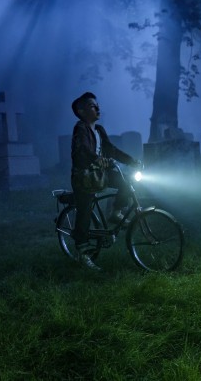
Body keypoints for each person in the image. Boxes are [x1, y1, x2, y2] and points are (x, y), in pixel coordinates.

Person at [70, 92, 139, 271]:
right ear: (81, 111)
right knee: (85, 211)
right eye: (93, 106)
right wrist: (97, 159)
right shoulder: (80, 128)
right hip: (84, 176)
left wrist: (131, 161)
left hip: (100, 173)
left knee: (126, 182)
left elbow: (111, 150)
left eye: (97, 105)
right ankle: (82, 253)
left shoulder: (99, 130)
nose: (98, 108)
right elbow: (82, 149)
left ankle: (115, 212)